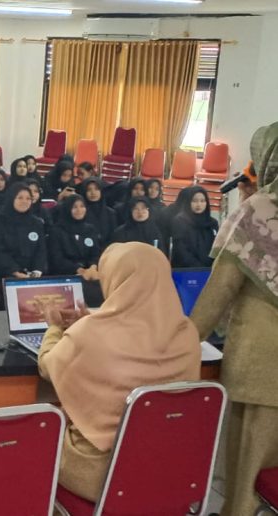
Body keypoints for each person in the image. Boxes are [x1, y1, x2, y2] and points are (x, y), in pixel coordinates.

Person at [38, 242, 200, 502]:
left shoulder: (89, 335)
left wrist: (55, 328)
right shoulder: (187, 332)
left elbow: (48, 365)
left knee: (34, 445)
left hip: (99, 475)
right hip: (169, 471)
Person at [190, 122, 278, 516]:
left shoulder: (260, 209)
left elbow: (221, 288)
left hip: (261, 362)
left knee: (245, 481)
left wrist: (184, 340)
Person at [0, 183, 47, 286]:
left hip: (33, 275)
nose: (24, 201)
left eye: (28, 198)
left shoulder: (37, 223)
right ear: (11, 198)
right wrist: (15, 271)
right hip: (5, 274)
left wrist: (37, 271)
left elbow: (41, 250)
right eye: (20, 198)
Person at [48, 194, 101, 279]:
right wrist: (78, 269)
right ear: (68, 209)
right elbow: (57, 259)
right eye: (75, 207)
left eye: (82, 206)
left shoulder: (90, 229)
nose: (79, 210)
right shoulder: (57, 231)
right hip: (65, 276)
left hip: (89, 274)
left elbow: (96, 253)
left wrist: (93, 267)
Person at [170, 186, 218, 268]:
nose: (199, 204)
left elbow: (216, 247)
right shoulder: (180, 221)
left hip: (209, 269)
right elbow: (180, 249)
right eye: (194, 201)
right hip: (185, 269)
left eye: (202, 201)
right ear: (188, 202)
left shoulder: (213, 223)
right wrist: (198, 267)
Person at [81, 178, 117, 247]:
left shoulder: (111, 213)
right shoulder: (80, 212)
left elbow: (113, 237)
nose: (93, 192)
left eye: (96, 189)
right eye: (89, 190)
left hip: (107, 250)